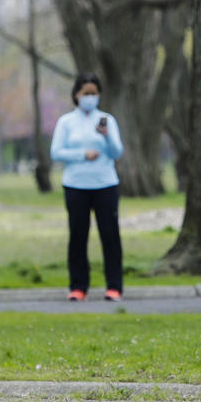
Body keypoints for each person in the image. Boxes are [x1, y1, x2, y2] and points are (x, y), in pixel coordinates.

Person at [50, 72, 125, 302]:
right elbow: (56, 152)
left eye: (94, 93)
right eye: (86, 94)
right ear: (76, 95)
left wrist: (106, 136)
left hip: (105, 184)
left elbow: (117, 152)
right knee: (78, 236)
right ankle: (78, 286)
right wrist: (82, 154)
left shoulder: (107, 120)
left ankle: (114, 287)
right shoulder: (66, 122)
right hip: (75, 185)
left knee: (110, 235)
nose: (90, 98)